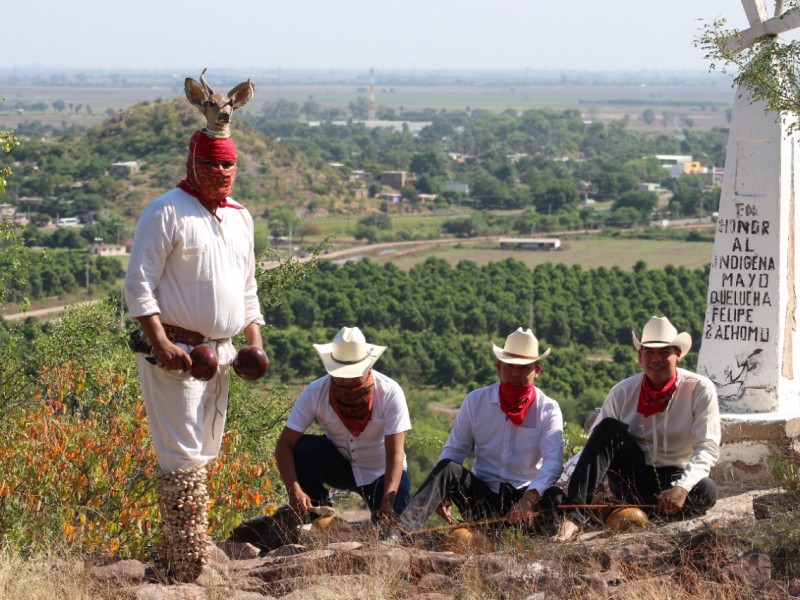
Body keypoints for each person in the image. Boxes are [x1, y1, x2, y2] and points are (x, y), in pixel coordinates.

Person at [124, 110, 264, 579]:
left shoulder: (241, 217)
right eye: (211, 165)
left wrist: (254, 343)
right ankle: (186, 562)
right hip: (180, 354)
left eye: (228, 166)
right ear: (193, 163)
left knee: (205, 448)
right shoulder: (165, 210)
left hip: (222, 354)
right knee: (181, 453)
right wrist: (160, 342)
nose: (220, 174)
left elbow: (248, 288)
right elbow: (138, 285)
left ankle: (193, 553)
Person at [551, 316, 721, 543]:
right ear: (640, 356)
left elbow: (707, 448)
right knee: (608, 427)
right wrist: (568, 486)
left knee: (707, 490)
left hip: (676, 476)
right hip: (633, 476)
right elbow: (596, 445)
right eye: (649, 352)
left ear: (678, 354)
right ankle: (575, 518)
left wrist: (682, 487)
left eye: (664, 352)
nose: (656, 359)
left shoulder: (700, 389)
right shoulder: (623, 392)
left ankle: (628, 511)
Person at [399, 328, 564, 533]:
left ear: (537, 371)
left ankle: (539, 541)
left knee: (554, 495)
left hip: (524, 499)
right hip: (482, 496)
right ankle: (402, 532)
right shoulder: (476, 401)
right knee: (448, 468)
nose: (515, 373)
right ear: (499, 367)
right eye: (510, 366)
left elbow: (554, 462)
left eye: (524, 368)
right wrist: (443, 493)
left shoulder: (548, 409)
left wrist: (529, 499)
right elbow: (455, 450)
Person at [275, 326, 411, 526]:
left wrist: (388, 501)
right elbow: (284, 445)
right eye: (342, 376)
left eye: (353, 376)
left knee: (391, 530)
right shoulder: (315, 392)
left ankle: (385, 520)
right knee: (303, 448)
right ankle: (318, 519)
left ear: (368, 368)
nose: (347, 381)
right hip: (341, 465)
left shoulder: (390, 392)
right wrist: (294, 489)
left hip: (381, 471)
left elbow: (395, 453)